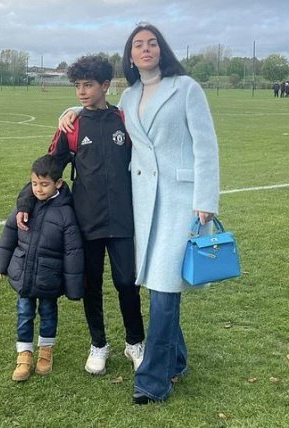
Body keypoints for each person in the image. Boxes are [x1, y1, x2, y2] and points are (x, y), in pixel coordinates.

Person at [60, 23, 220, 404]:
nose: (145, 49)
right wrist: (69, 110)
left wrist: (206, 199)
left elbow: (206, 145)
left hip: (181, 202)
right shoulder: (130, 97)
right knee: (158, 285)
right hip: (142, 203)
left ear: (161, 49)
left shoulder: (186, 88)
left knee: (164, 291)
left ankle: (153, 380)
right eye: (138, 45)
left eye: (151, 43)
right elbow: (101, 115)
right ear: (130, 56)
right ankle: (177, 360)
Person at [17, 55, 145, 376]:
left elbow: (148, 164)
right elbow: (47, 170)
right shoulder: (71, 127)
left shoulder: (125, 122)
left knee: (126, 282)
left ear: (106, 85)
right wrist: (26, 202)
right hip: (85, 223)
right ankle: (98, 345)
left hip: (123, 222)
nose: (82, 92)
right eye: (77, 86)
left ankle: (135, 343)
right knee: (92, 285)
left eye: (88, 85)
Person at [0, 154, 84, 381]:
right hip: (24, 275)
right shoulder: (24, 207)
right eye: (34, 184)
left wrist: (73, 287)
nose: (38, 189)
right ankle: (24, 355)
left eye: (44, 185)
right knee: (24, 313)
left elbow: (72, 252)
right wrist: (2, 265)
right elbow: (9, 233)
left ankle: (46, 351)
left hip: (49, 278)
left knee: (48, 313)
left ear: (58, 184)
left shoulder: (66, 213)